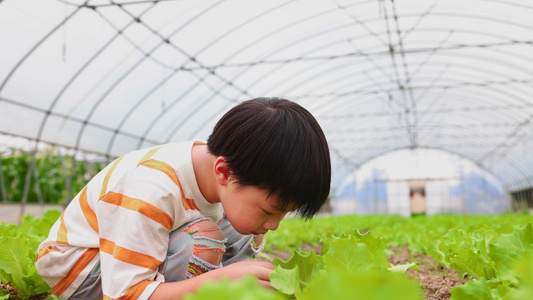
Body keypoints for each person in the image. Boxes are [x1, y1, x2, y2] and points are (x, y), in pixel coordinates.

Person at [35, 97, 331, 300]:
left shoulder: (221, 180)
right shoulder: (153, 187)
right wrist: (222, 280)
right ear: (225, 172)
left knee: (235, 228)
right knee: (202, 239)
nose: (274, 225)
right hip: (82, 270)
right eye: (269, 211)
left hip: (117, 267)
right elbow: (126, 294)